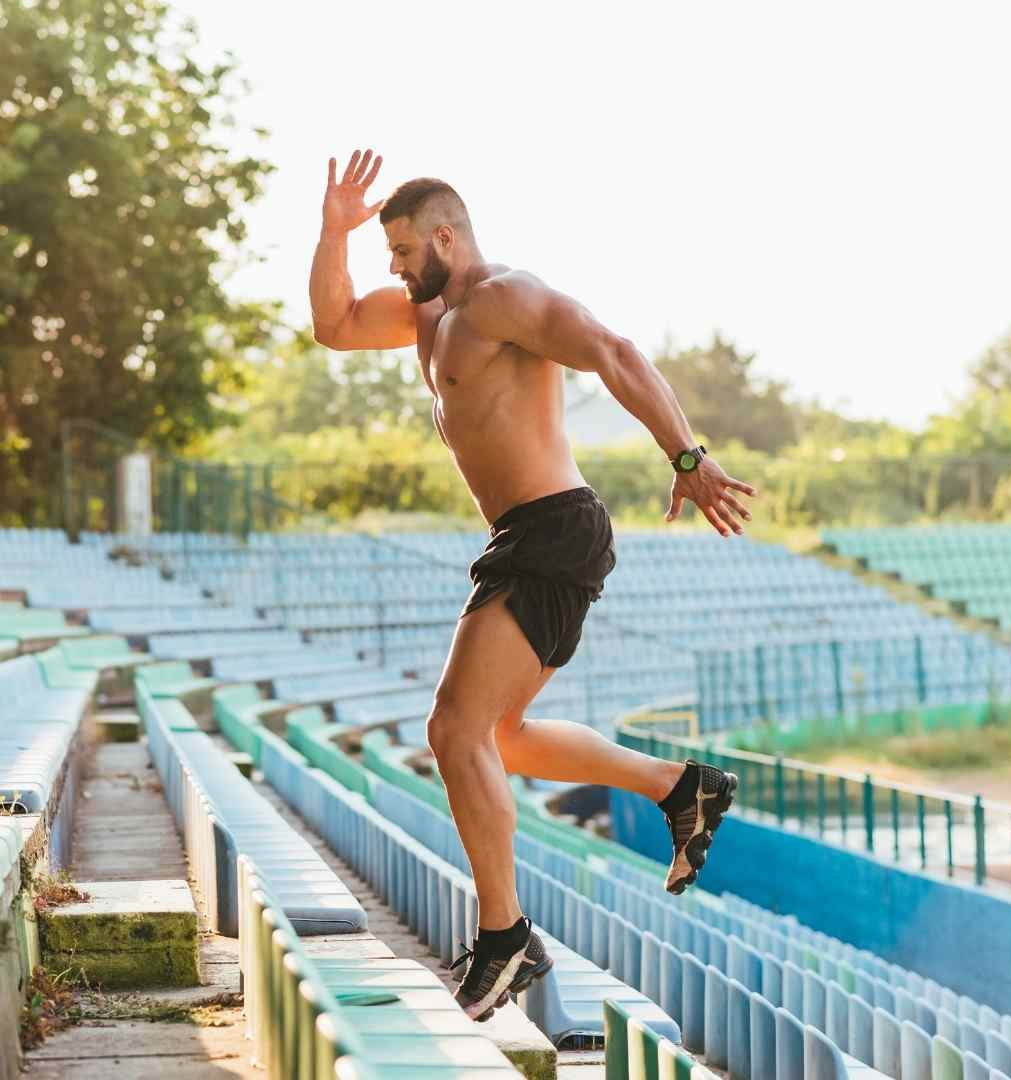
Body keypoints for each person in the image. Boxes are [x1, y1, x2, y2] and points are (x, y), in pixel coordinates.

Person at [309, 148, 754, 1022]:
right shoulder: (427, 318)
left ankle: (506, 937)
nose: (392, 268)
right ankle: (680, 787)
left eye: (401, 252)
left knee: (454, 728)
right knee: (497, 738)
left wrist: (688, 456)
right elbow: (332, 324)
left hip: (553, 528)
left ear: (446, 235)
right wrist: (333, 231)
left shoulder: (504, 298)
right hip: (524, 535)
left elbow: (613, 351)